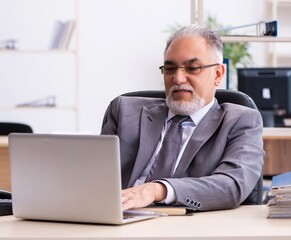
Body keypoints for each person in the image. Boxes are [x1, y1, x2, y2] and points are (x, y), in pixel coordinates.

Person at [101, 24, 264, 211]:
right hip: (118, 219)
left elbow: (232, 185)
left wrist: (157, 190)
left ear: (218, 74)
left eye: (192, 68)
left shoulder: (241, 121)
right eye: (170, 69)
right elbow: (96, 176)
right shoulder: (124, 110)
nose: (178, 79)